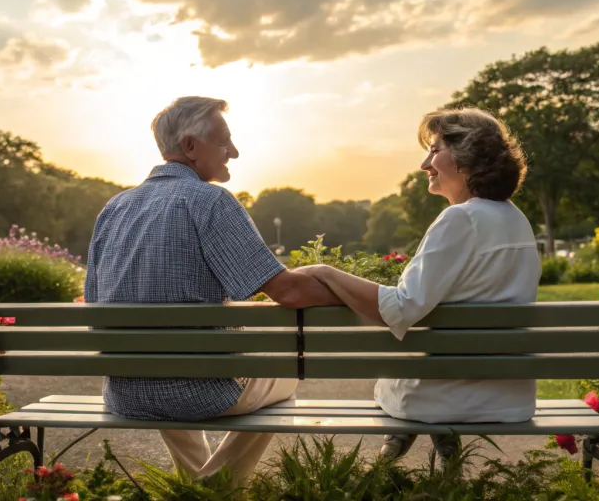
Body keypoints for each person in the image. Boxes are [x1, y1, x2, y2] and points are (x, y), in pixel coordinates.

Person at [84, 96, 342, 484]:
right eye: (224, 142)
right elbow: (287, 292)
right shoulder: (209, 201)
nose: (233, 153)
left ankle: (193, 486)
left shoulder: (115, 207)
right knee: (285, 376)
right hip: (199, 392)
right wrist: (344, 288)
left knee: (171, 368)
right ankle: (218, 487)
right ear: (190, 146)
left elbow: (93, 305)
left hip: (125, 391)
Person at [295, 107, 541, 462]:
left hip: (448, 396)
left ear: (465, 157)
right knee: (416, 372)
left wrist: (325, 272)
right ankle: (433, 457)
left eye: (435, 150)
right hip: (510, 398)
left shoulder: (460, 218)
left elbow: (401, 308)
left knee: (394, 384)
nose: (425, 164)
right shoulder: (516, 219)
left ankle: (388, 462)